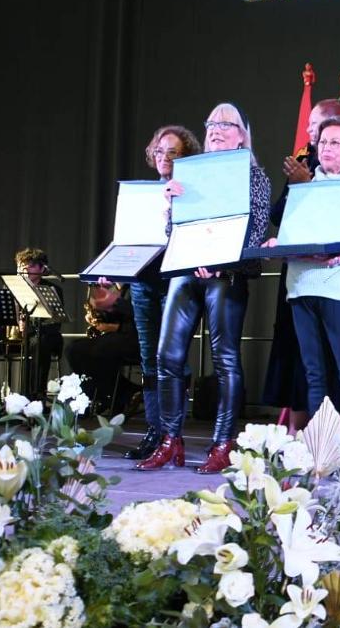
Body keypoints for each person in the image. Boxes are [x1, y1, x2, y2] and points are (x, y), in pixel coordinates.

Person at [137, 103, 271, 472]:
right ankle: (170, 440)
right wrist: (170, 208)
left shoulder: (252, 176)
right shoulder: (189, 174)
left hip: (226, 274)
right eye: (211, 123)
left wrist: (217, 259)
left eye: (226, 124)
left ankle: (223, 444)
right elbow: (174, 233)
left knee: (225, 359)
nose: (215, 129)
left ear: (242, 134)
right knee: (167, 357)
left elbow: (256, 231)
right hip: (186, 270)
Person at [266, 116, 340, 474]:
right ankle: (321, 450)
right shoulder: (302, 188)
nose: (327, 148)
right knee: (314, 375)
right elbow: (289, 234)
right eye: (323, 142)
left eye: (336, 142)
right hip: (302, 287)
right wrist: (276, 244)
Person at [123, 125, 202, 459]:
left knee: (173, 360)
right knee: (149, 360)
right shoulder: (142, 197)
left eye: (172, 152)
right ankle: (155, 432)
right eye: (159, 151)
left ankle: (174, 435)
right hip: (143, 281)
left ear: (186, 157)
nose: (164, 157)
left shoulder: (193, 194)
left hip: (176, 282)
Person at [67, 283, 140, 415]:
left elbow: (142, 321)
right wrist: (97, 316)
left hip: (136, 341)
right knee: (73, 349)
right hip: (116, 338)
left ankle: (115, 396)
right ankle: (112, 394)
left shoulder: (136, 288)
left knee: (98, 351)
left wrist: (114, 327)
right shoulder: (117, 289)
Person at [13, 247, 64, 394]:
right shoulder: (12, 287)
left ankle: (35, 394)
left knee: (39, 342)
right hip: (18, 336)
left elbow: (55, 324)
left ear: (42, 269)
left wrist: (30, 327)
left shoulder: (53, 289)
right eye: (22, 264)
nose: (25, 268)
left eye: (31, 265)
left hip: (44, 336)